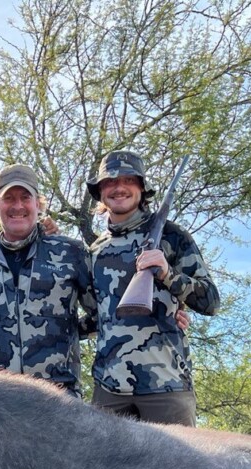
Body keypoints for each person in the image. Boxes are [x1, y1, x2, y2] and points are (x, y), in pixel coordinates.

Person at [86, 150, 219, 426]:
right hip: (109, 388)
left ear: (142, 188)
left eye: (128, 180)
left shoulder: (172, 236)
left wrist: (168, 274)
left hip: (167, 388)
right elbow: (99, 316)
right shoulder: (95, 250)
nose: (119, 187)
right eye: (110, 181)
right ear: (100, 191)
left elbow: (210, 302)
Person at [0, 164, 96, 396]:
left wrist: (70, 329)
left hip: (60, 399)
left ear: (38, 204)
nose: (18, 206)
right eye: (8, 198)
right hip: (0, 402)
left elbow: (104, 313)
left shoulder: (71, 253)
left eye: (25, 197)